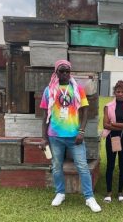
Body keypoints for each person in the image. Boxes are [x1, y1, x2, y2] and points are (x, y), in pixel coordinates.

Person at [40, 59, 101, 213]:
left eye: (67, 71)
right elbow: (44, 116)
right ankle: (60, 193)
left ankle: (89, 197)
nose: (65, 74)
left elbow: (85, 110)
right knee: (56, 167)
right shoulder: (49, 91)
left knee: (82, 166)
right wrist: (44, 137)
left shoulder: (77, 89)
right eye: (62, 71)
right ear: (56, 72)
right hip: (55, 136)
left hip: (75, 137)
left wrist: (81, 131)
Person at [101, 80, 123, 203]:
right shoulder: (108, 106)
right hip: (112, 138)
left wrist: (113, 124)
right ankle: (109, 192)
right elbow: (105, 125)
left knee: (122, 165)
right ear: (114, 92)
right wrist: (122, 125)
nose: (120, 94)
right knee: (110, 165)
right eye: (118, 91)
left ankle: (120, 192)